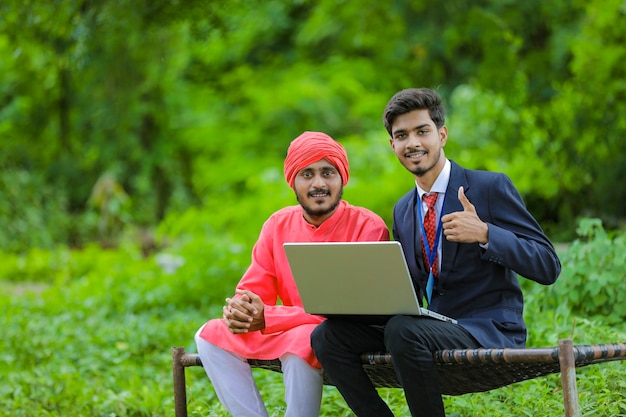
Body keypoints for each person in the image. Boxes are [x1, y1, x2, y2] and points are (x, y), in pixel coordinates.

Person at [310, 88, 562, 417]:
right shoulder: (403, 210)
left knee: (403, 330)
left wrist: (486, 233)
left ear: (442, 135)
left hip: (487, 329)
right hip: (430, 327)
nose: (412, 142)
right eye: (402, 135)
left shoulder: (489, 188)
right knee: (328, 336)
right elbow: (412, 289)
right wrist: (355, 299)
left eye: (422, 131)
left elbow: (548, 265)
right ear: (393, 146)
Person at [194, 131, 390, 417]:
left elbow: (349, 310)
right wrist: (243, 310)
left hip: (332, 333)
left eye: (328, 172)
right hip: (282, 328)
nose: (319, 183)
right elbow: (253, 290)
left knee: (305, 339)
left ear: (342, 178)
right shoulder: (277, 224)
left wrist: (271, 317)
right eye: (307, 174)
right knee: (209, 335)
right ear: (293, 182)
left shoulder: (368, 227)